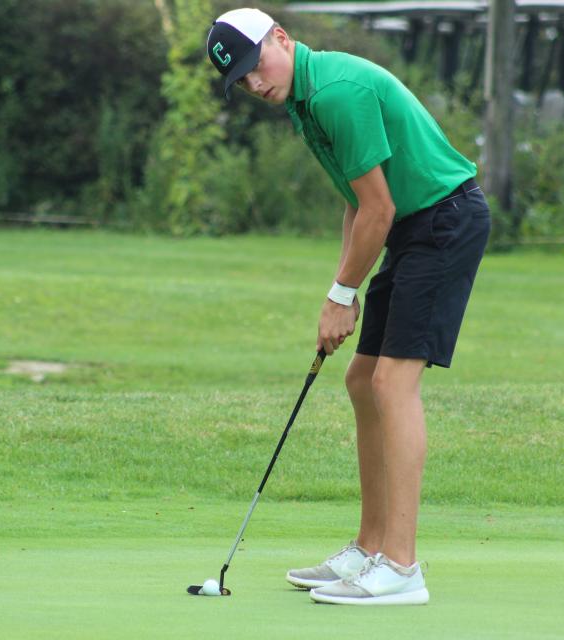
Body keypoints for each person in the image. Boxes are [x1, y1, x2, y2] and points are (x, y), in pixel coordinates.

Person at [206, 8, 491, 605]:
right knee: (363, 380)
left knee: (391, 383)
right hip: (413, 228)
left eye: (257, 66)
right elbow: (358, 203)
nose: (256, 84)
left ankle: (403, 568)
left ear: (281, 39)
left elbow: (380, 210)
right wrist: (343, 288)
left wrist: (341, 297)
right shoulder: (304, 103)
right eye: (244, 82)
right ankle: (368, 549)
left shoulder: (335, 92)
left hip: (444, 220)